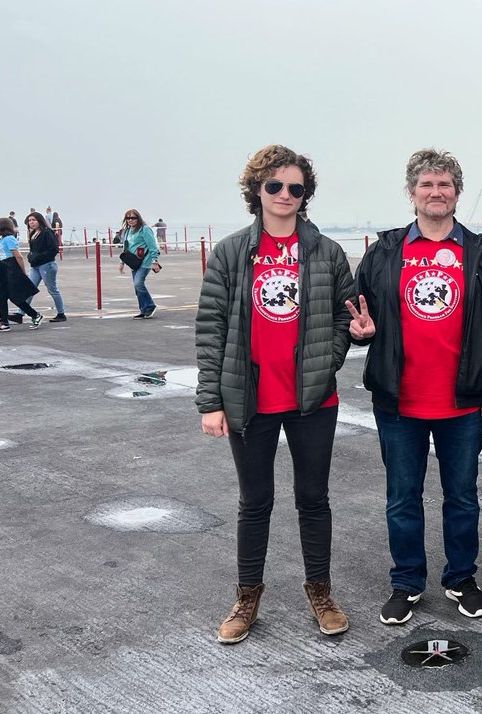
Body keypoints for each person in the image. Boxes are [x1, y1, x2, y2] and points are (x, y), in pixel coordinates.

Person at [196, 144, 356, 645]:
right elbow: (211, 328)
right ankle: (246, 597)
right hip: (249, 398)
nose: (285, 195)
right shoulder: (230, 252)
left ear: (305, 195)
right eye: (275, 186)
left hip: (312, 399)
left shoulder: (326, 252)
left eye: (295, 188)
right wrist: (211, 400)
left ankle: (321, 591)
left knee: (313, 499)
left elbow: (344, 318)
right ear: (257, 190)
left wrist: (326, 361)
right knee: (255, 501)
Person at [353, 149, 482, 625]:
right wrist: (358, 332)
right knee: (402, 497)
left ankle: (460, 578)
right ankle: (406, 582)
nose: (436, 192)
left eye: (444, 185)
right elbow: (359, 316)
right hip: (399, 401)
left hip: (462, 402)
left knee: (462, 496)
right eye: (426, 185)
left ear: (456, 193)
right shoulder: (385, 253)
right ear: (411, 194)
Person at [0, 218, 42, 333]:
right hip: (0, 269)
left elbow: (18, 257)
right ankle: (4, 322)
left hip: (9, 269)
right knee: (0, 296)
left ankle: (35, 315)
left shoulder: (9, 239)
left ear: (2, 226)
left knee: (15, 296)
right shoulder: (2, 239)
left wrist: (22, 272)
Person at [12, 212, 67, 323]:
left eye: (33, 220)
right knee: (29, 289)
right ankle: (20, 313)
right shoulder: (33, 233)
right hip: (35, 265)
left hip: (47, 265)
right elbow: (33, 249)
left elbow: (53, 249)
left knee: (52, 289)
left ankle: (61, 313)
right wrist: (31, 256)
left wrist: (38, 257)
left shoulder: (47, 233)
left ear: (39, 220)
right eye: (29, 220)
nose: (31, 222)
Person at [118, 209, 160, 319]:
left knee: (138, 284)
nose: (130, 220)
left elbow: (152, 246)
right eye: (128, 218)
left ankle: (150, 306)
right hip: (133, 262)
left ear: (138, 218)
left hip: (145, 261)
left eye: (133, 218)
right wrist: (122, 262)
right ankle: (143, 309)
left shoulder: (145, 230)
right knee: (137, 288)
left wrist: (155, 261)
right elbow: (125, 247)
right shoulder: (127, 231)